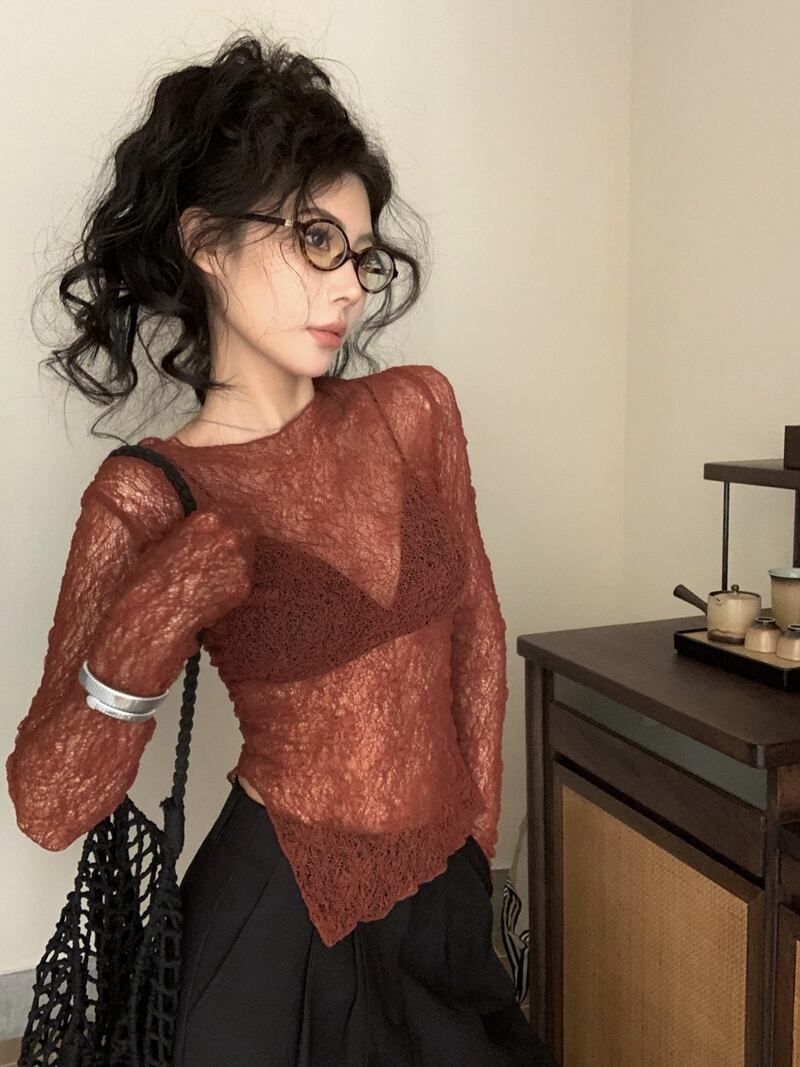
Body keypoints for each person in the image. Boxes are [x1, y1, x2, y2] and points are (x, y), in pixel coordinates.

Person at [6, 31, 559, 1067]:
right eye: (313, 240)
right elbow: (47, 802)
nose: (348, 286)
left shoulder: (414, 409)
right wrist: (151, 618)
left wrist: (471, 848)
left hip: (439, 900)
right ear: (207, 243)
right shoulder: (149, 492)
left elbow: (477, 635)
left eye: (359, 253)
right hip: (277, 920)